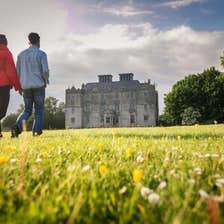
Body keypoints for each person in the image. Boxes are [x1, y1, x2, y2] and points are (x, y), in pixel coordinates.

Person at [11, 32, 49, 137]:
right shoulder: (41, 54)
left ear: (29, 41)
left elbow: (17, 72)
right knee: (39, 110)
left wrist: (19, 87)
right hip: (38, 85)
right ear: (39, 41)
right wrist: (46, 81)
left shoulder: (21, 55)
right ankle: (36, 132)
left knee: (27, 110)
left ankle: (17, 126)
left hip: (25, 86)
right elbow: (45, 71)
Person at [0, 34, 22, 138]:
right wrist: (18, 87)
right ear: (5, 42)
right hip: (3, 85)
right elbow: (11, 72)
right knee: (2, 111)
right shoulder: (6, 53)